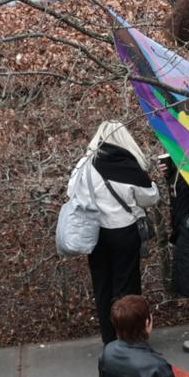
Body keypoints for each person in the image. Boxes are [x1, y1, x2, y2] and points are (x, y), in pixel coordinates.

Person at [65, 121, 158, 344]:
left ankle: (110, 338)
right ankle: (131, 337)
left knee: (103, 286)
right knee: (127, 287)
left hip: (95, 233)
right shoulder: (128, 165)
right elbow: (151, 197)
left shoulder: (85, 163)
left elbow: (71, 191)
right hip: (124, 232)